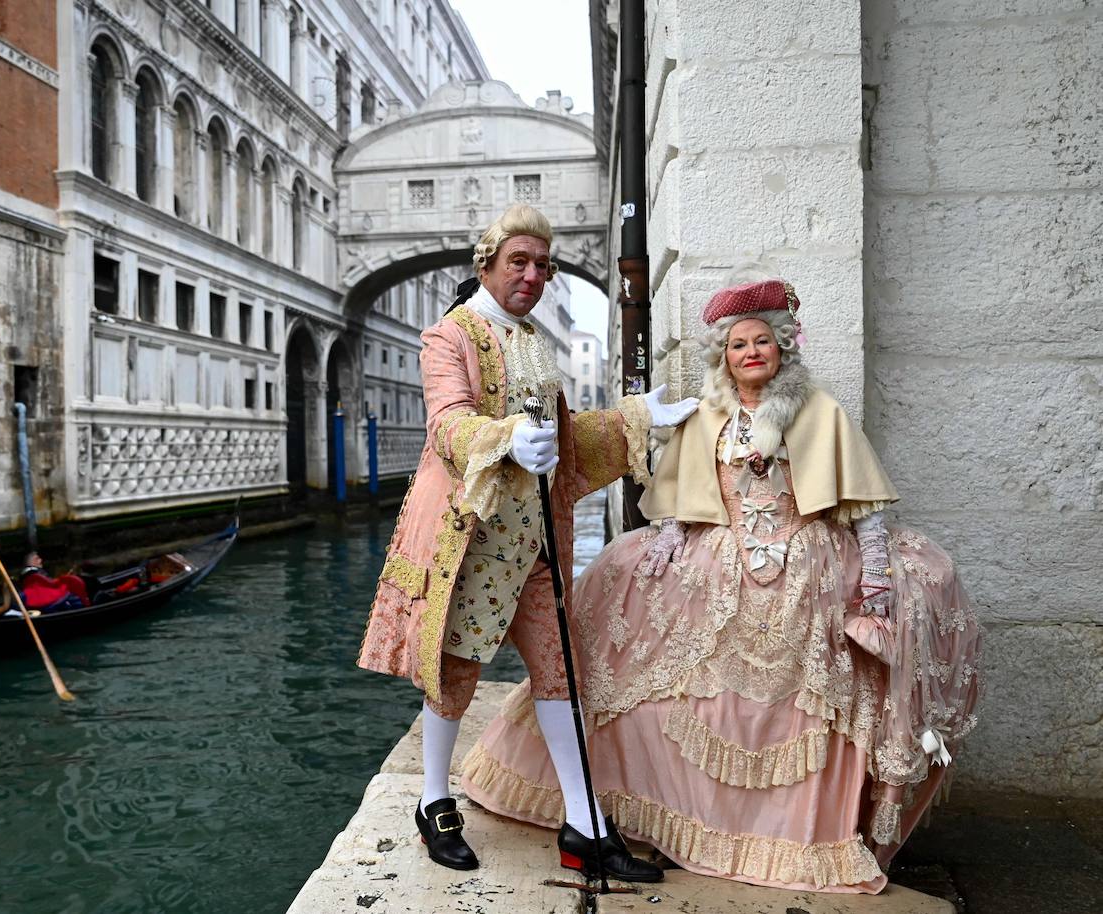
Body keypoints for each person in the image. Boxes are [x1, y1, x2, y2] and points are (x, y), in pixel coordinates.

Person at [461, 277, 983, 893]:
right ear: (724, 356)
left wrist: (873, 571)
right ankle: (655, 809)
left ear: (782, 349)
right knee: (637, 629)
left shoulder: (818, 411)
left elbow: (862, 505)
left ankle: (789, 834)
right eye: (738, 345)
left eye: (762, 341)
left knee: (793, 705)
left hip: (805, 562)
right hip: (720, 557)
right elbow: (689, 497)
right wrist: (670, 541)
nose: (751, 352)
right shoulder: (710, 414)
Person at [357, 204, 699, 881]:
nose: (534, 275)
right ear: (486, 264)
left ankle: (585, 823)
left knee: (560, 673)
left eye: (543, 265)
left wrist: (636, 416)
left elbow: (564, 440)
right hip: (474, 540)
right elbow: (449, 425)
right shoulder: (447, 336)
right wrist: (507, 436)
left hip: (538, 542)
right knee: (454, 674)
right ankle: (434, 802)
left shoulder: (534, 339)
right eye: (520, 261)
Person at [16, 552, 89, 611]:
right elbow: (46, 583)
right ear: (32, 561)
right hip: (45, 597)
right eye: (37, 558)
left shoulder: (24, 576)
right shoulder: (35, 573)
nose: (41, 560)